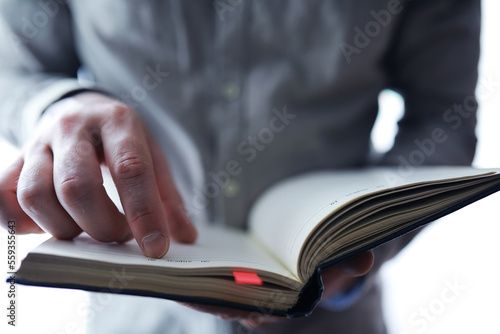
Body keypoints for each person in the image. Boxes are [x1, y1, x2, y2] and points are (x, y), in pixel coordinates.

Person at [0, 0, 480, 333]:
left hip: (337, 318)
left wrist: (369, 233)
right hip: (133, 315)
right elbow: (15, 67)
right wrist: (58, 105)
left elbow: (445, 116)